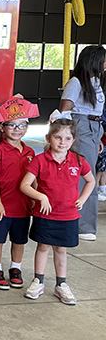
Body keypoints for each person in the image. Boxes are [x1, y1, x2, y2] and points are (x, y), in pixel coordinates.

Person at [20, 110, 95, 305]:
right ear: (48, 138)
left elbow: (90, 181)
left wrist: (82, 199)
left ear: (73, 140)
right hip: (45, 215)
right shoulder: (40, 160)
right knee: (43, 246)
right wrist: (41, 196)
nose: (62, 142)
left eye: (67, 138)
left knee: (61, 250)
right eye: (58, 137)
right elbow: (24, 185)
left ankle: (61, 284)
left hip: (68, 215)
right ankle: (39, 280)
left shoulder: (78, 161)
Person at [0, 96, 39, 291]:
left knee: (19, 240)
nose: (17, 129)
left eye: (22, 125)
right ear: (2, 128)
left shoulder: (30, 152)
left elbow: (33, 178)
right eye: (12, 125)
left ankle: (15, 268)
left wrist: (35, 197)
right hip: (4, 205)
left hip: (23, 206)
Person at [60, 45, 106, 241]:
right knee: (84, 176)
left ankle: (84, 224)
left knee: (88, 175)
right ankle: (80, 224)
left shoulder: (96, 82)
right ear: (94, 60)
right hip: (82, 125)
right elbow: (64, 111)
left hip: (95, 127)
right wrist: (70, 135)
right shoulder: (77, 82)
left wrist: (98, 137)